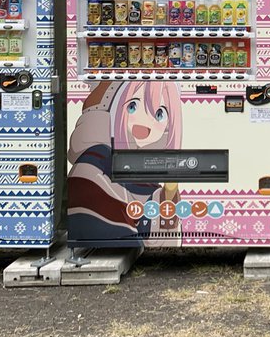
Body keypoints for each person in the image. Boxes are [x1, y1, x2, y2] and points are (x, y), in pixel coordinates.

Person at [66, 82, 184, 246]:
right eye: (132, 106)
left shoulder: (140, 170)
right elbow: (124, 237)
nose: (144, 123)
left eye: (159, 114)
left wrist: (168, 195)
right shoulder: (93, 168)